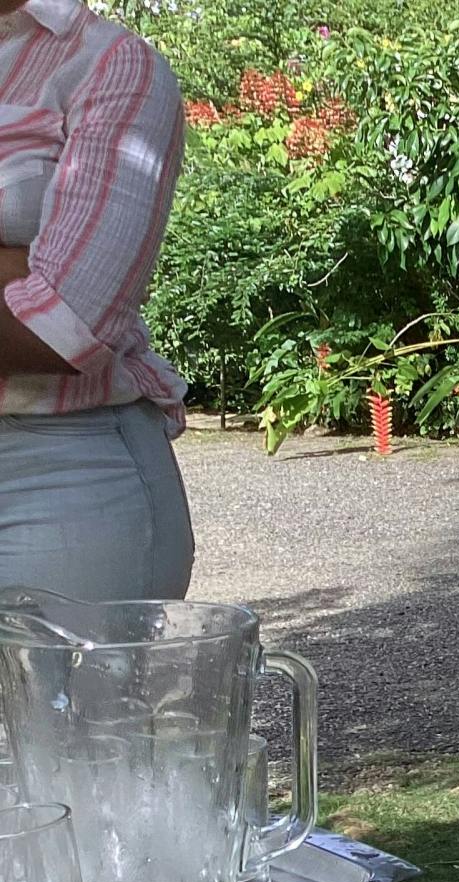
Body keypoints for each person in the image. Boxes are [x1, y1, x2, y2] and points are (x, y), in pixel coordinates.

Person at [0, 0, 193, 602]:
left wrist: (36, 287)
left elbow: (61, 324)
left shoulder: (111, 65)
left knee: (57, 701)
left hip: (49, 476)